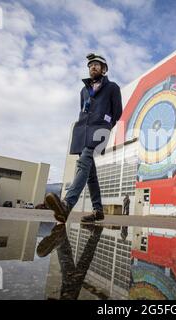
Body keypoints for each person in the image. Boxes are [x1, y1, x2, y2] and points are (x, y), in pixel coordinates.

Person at [45, 53, 122, 223]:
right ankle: (98, 210)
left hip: (100, 129)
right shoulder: (83, 90)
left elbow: (117, 112)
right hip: (83, 131)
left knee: (84, 161)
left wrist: (106, 123)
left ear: (104, 69)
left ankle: (67, 204)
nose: (92, 67)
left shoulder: (112, 88)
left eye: (96, 65)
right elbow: (83, 110)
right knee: (90, 174)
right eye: (90, 65)